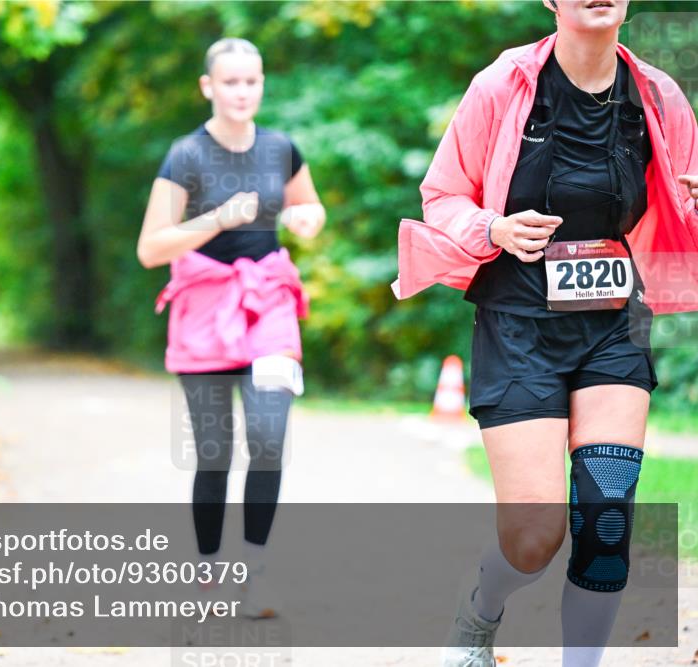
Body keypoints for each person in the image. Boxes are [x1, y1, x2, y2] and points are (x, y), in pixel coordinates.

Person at [392, 1, 698, 665]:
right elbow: (442, 195)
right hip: (518, 322)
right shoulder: (504, 85)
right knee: (533, 536)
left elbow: (682, 211)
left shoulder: (659, 96)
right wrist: (492, 229)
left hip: (613, 322)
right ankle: (481, 611)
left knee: (607, 517)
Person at [137, 37, 325, 618]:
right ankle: (209, 571)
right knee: (214, 452)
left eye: (252, 81)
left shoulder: (280, 148)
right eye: (231, 82)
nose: (243, 92)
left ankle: (255, 572)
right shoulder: (185, 155)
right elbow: (151, 248)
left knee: (269, 439)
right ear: (208, 87)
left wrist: (303, 218)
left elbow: (311, 211)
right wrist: (217, 219)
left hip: (267, 301)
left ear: (261, 84)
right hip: (205, 309)